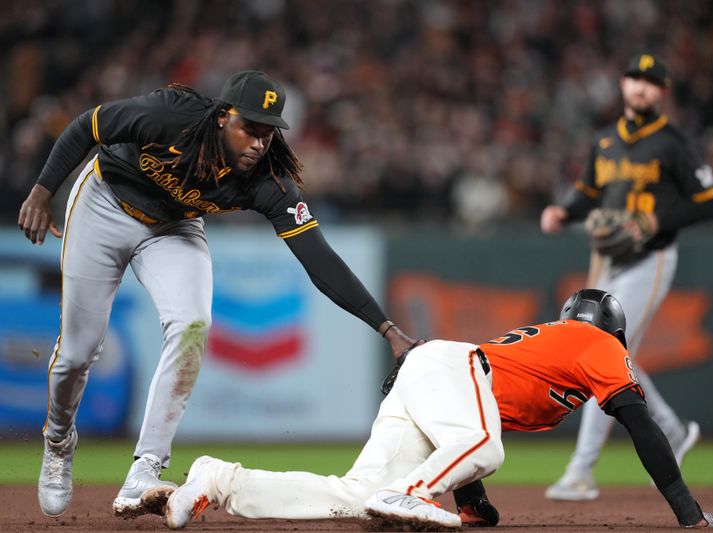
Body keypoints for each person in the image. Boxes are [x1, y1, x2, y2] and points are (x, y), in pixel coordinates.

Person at [18, 70, 418, 519]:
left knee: (193, 323)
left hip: (173, 227)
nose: (259, 143)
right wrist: (42, 189)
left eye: (269, 132)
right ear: (224, 116)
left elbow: (318, 257)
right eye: (251, 127)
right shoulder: (169, 116)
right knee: (78, 351)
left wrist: (387, 328)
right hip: (104, 203)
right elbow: (88, 125)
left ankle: (146, 468)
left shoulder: (269, 180)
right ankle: (58, 439)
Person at [162, 289, 713, 530]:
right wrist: (688, 513)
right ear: (612, 332)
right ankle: (413, 494)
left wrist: (473, 502)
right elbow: (641, 423)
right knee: (487, 448)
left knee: (354, 498)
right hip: (452, 368)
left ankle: (218, 478)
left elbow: (472, 415)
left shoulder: (553, 343)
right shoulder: (597, 346)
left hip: (438, 377)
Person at [539, 53, 713, 501]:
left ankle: (581, 471)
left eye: (650, 82)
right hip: (608, 260)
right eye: (634, 79)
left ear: (662, 92)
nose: (640, 87)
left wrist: (658, 220)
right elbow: (587, 194)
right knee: (618, 356)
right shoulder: (605, 143)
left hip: (651, 258)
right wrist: (564, 209)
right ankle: (674, 431)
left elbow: (708, 201)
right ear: (622, 85)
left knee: (599, 352)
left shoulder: (674, 143)